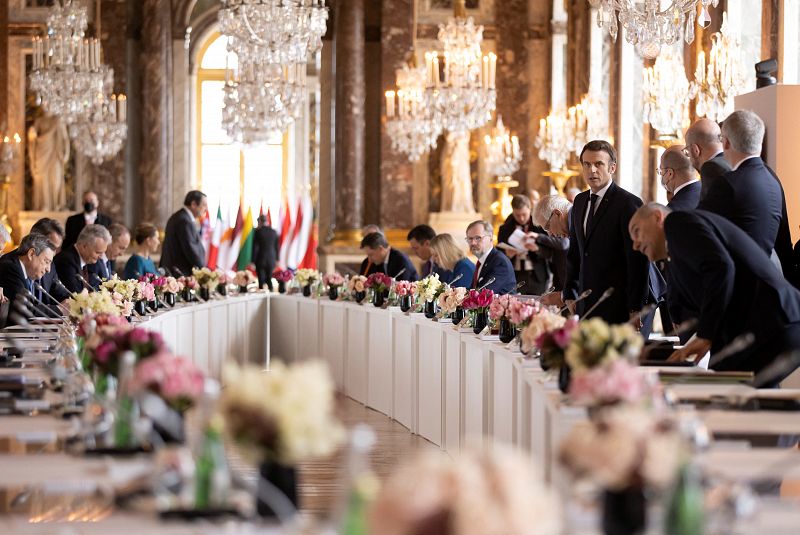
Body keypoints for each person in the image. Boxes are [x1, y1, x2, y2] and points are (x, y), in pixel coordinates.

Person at [629, 204, 800, 385]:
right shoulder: (678, 250)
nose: (635, 244)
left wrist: (705, 336)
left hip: (773, 322)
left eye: (637, 231)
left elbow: (720, 267)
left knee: (727, 393)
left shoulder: (678, 222)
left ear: (658, 217)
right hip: (766, 327)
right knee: (736, 397)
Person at [541, 140, 651, 329]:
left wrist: (636, 308)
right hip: (587, 305)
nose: (592, 170)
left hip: (619, 304)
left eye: (598, 164)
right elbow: (575, 253)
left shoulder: (628, 203)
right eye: (587, 164)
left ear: (612, 167)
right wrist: (569, 293)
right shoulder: (580, 201)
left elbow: (637, 260)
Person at [697, 110, 783, 259]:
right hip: (764, 275)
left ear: (726, 142)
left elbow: (698, 226)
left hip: (737, 278)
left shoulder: (728, 183)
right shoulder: (773, 181)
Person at [497, 195, 562, 295]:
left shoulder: (539, 226)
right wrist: (506, 254)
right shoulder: (505, 228)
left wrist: (537, 249)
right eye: (517, 215)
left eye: (524, 214)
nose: (521, 218)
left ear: (530, 209)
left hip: (537, 275)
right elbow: (499, 252)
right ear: (513, 211)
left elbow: (551, 251)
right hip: (515, 275)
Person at [0, 234, 57, 325]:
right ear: (31, 254)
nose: (48, 269)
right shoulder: (10, 267)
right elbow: (25, 310)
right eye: (46, 262)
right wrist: (60, 310)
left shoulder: (26, 272)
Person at [160, 190, 208, 276]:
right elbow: (191, 250)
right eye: (204, 205)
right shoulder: (184, 221)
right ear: (193, 204)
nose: (206, 209)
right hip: (179, 274)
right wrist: (204, 271)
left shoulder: (180, 216)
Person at [54, 224, 111, 293]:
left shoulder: (89, 260)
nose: (101, 257)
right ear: (84, 246)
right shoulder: (66, 261)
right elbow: (75, 294)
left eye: (103, 253)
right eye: (98, 252)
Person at [684, 118, 730, 201]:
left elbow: (708, 211)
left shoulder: (711, 168)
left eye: (687, 151)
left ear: (695, 150)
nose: (689, 157)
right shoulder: (733, 161)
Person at [532, 195, 571, 291]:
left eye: (548, 227)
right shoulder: (570, 229)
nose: (550, 234)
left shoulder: (582, 225)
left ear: (557, 214)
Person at [465, 220, 516, 295]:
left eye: (478, 238)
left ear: (491, 238)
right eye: (470, 239)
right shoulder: (482, 261)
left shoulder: (500, 262)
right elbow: (474, 290)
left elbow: (484, 294)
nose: (473, 243)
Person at [28, 218, 71, 306]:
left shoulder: (50, 265)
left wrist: (69, 302)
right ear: (36, 240)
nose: (54, 253)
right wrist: (59, 309)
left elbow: (62, 295)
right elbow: (26, 309)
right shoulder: (13, 264)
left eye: (57, 249)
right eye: (52, 247)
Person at [659, 145, 700, 211]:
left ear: (670, 173)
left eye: (661, 171)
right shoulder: (710, 191)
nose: (660, 175)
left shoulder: (673, 210)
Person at [252, 214, 279, 290]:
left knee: (261, 280)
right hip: (271, 259)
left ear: (259, 222)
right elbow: (277, 247)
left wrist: (253, 261)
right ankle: (271, 294)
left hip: (260, 259)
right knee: (269, 279)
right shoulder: (273, 232)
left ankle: (262, 295)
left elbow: (255, 248)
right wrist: (277, 259)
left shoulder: (258, 232)